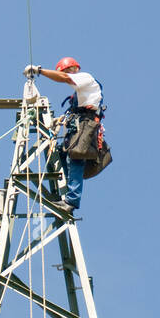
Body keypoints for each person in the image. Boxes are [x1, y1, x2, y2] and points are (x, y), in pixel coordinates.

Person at [22, 57, 104, 213]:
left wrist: (39, 71)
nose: (67, 75)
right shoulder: (80, 95)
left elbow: (65, 78)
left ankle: (71, 200)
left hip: (86, 125)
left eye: (67, 71)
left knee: (76, 157)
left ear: (75, 69)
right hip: (78, 125)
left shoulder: (86, 78)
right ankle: (64, 195)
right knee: (60, 155)